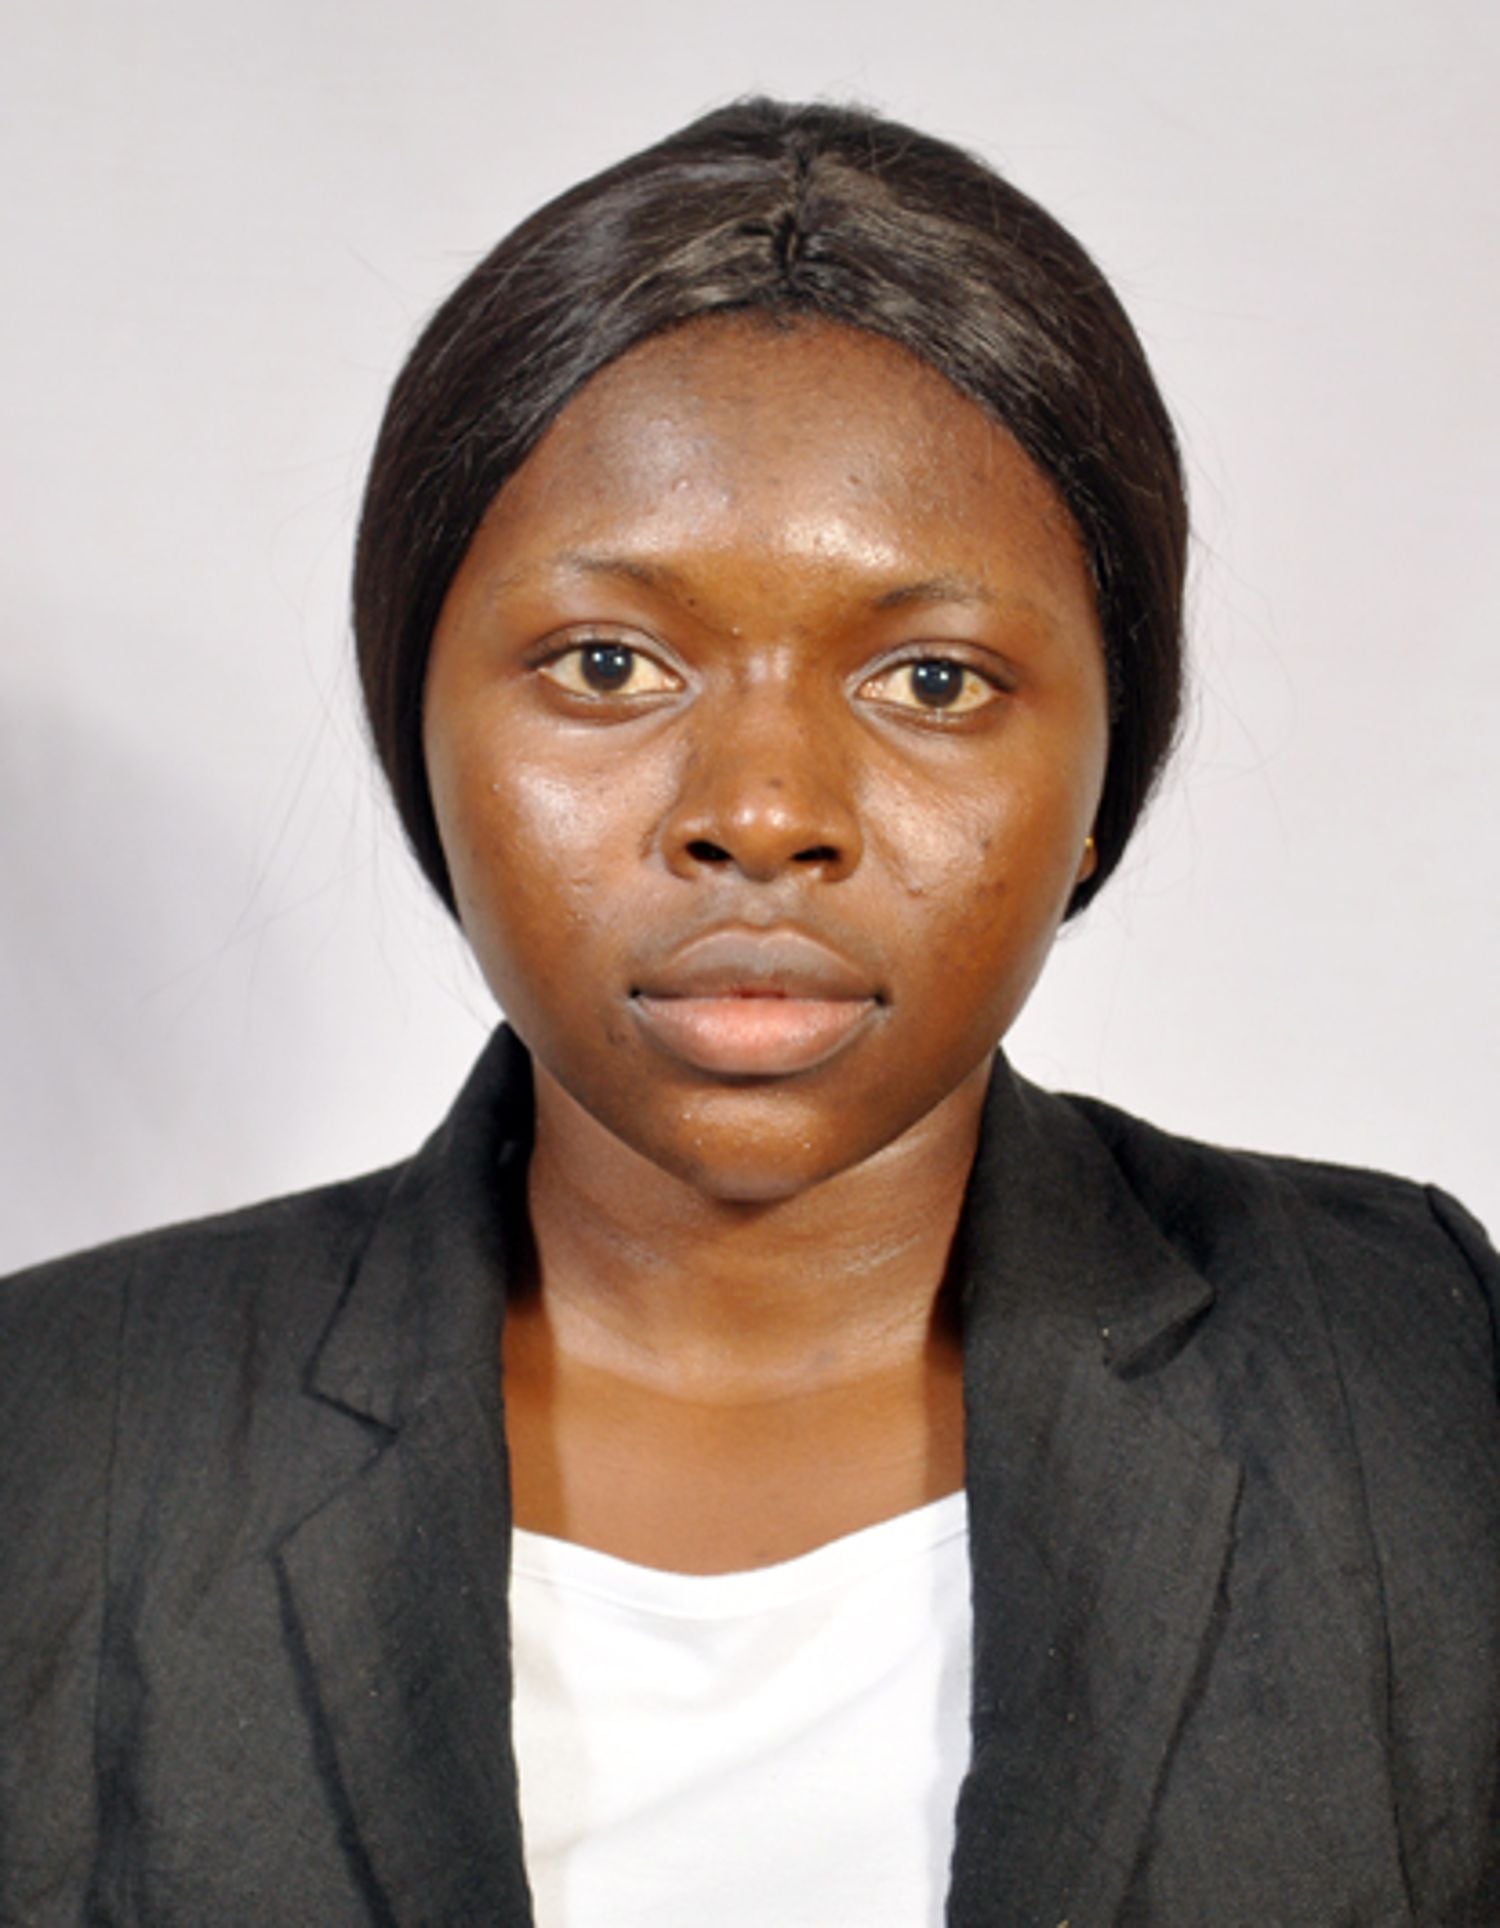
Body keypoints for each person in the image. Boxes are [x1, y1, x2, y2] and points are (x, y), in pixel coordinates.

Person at [1, 97, 1495, 1928]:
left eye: (933, 679)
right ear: (422, 743)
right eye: (607, 663)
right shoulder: (54, 1436)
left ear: (1106, 775)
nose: (764, 812)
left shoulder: (1419, 1382)